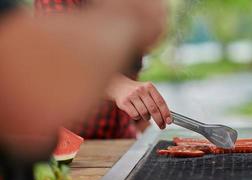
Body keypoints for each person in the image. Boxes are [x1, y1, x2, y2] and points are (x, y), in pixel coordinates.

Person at [0, 0, 168, 162]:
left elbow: (129, 78)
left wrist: (146, 126)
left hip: (121, 142)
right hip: (72, 148)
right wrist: (118, 86)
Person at [35, 0, 172, 139]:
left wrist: (145, 124)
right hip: (71, 137)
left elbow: (130, 69)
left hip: (121, 137)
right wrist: (117, 86)